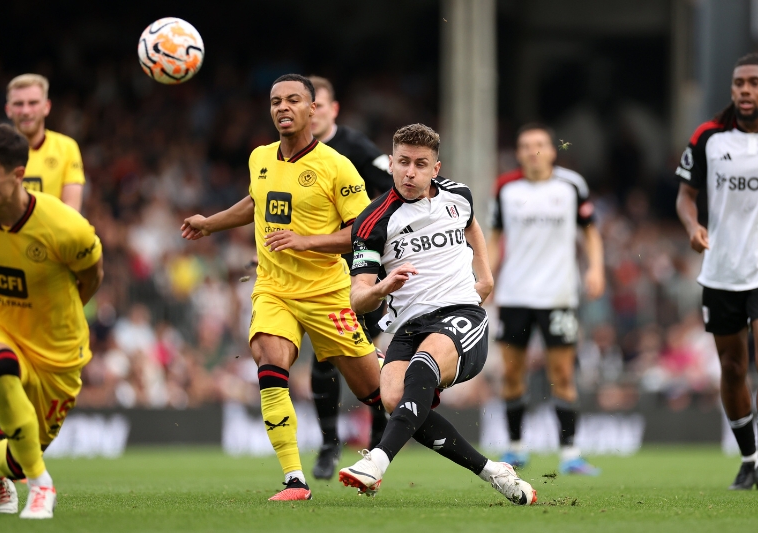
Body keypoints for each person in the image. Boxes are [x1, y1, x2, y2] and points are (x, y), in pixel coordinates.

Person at [181, 74, 384, 502]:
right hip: (274, 288)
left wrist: (305, 241)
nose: (283, 107)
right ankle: (295, 478)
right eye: (276, 101)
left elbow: (363, 231)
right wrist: (210, 223)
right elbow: (256, 201)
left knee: (379, 393)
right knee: (269, 360)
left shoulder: (336, 165)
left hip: (328, 293)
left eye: (293, 100)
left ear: (314, 109)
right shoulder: (259, 157)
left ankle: (411, 387)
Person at [338, 123, 536, 505]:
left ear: (436, 168)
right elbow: (357, 297)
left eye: (420, 164)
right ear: (391, 163)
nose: (410, 172)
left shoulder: (458, 195)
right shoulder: (372, 222)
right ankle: (492, 471)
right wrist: (380, 288)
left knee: (422, 368)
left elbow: (472, 226)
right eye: (403, 162)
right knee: (394, 401)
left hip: (461, 315)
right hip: (409, 328)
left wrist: (486, 274)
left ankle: (377, 460)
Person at [675, 53, 758, 491]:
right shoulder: (710, 137)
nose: (744, 89)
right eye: (738, 83)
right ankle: (747, 458)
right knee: (731, 365)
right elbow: (685, 196)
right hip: (722, 267)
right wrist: (692, 226)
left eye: (753, 83)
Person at [0, 124, 103, 519]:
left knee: (19, 456)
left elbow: (92, 275)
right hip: (4, 332)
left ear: (16, 175)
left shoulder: (64, 226)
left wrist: (64, 313)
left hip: (58, 353)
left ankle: (7, 475)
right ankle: (42, 486)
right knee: (0, 366)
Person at [488, 123, 605, 475]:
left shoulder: (571, 185)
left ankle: (570, 453)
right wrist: (487, 277)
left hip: (559, 294)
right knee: (511, 371)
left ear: (552, 150)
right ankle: (515, 448)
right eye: (525, 145)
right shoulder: (505, 188)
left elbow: (590, 231)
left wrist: (596, 269)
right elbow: (494, 237)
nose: (532, 151)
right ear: (518, 152)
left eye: (539, 144)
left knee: (562, 373)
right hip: (514, 294)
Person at [306, 75, 392, 479]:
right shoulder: (292, 154)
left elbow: (396, 186)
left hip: (360, 274)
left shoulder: (355, 148)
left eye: (320, 105)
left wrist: (374, 240)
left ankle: (377, 450)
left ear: (332, 109)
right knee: (324, 360)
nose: (313, 112)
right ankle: (328, 445)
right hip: (316, 276)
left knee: (370, 360)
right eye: (308, 106)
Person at [4, 74, 85, 212]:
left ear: (46, 107)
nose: (25, 111)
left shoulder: (66, 148)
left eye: (33, 103)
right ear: (8, 110)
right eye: (18, 104)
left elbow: (71, 212)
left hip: (51, 234)